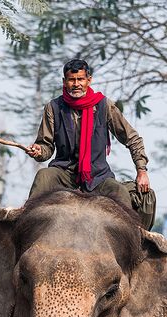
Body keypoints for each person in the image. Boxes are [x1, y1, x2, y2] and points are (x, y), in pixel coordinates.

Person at [26, 59, 150, 208]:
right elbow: (45, 146)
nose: (76, 84)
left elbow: (132, 138)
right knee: (43, 176)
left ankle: (134, 232)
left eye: (80, 79)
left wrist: (141, 170)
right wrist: (39, 151)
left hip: (98, 175)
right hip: (63, 172)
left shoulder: (104, 105)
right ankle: (23, 224)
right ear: (64, 82)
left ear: (88, 80)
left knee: (119, 192)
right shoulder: (53, 107)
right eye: (72, 80)